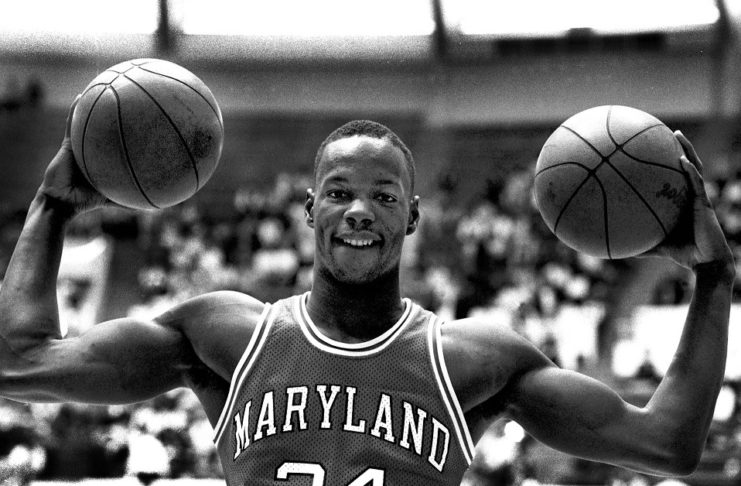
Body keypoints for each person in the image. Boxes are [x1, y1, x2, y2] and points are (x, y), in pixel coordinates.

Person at [0, 97, 734, 486]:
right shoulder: (224, 336)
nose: (358, 210)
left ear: (412, 216)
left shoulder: (473, 361)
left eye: (383, 196)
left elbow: (666, 445)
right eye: (338, 192)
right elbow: (19, 363)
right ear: (308, 209)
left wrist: (712, 278)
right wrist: (52, 207)